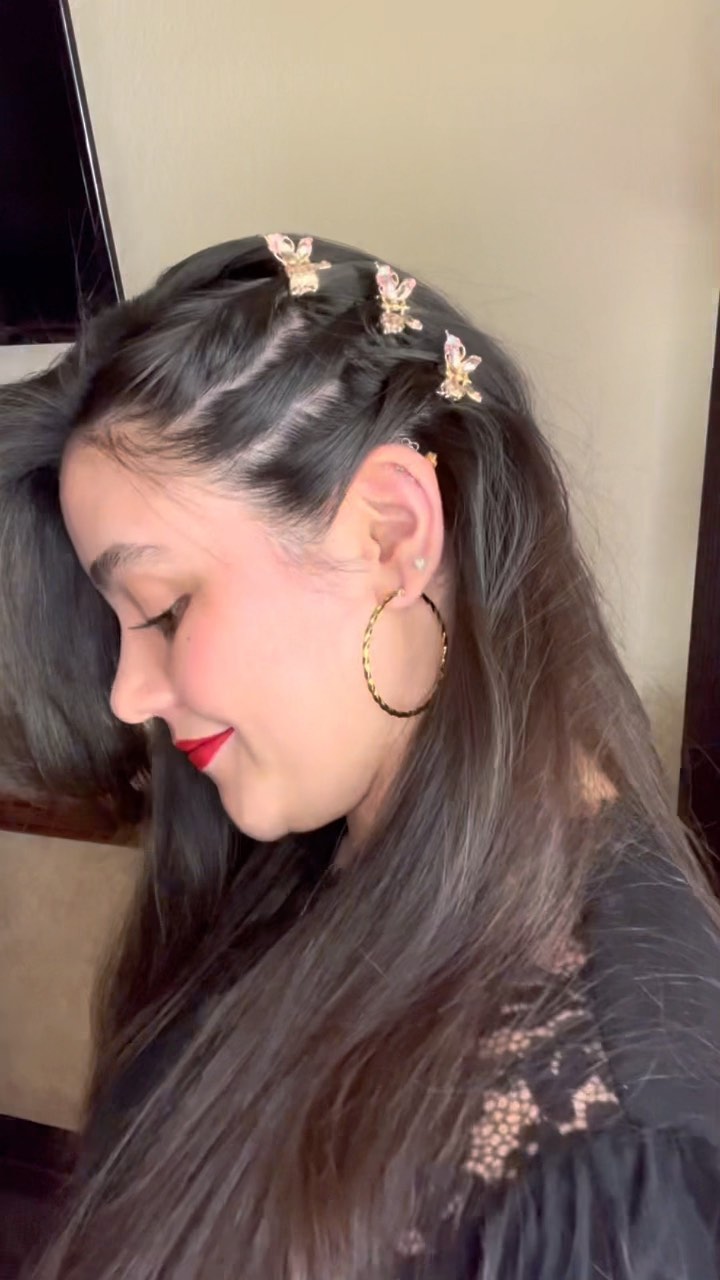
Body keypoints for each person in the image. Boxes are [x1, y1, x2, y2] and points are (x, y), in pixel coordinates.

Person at [1, 232, 719, 1280]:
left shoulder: (609, 1144)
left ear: (391, 532)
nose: (128, 693)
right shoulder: (293, 855)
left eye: (164, 606)